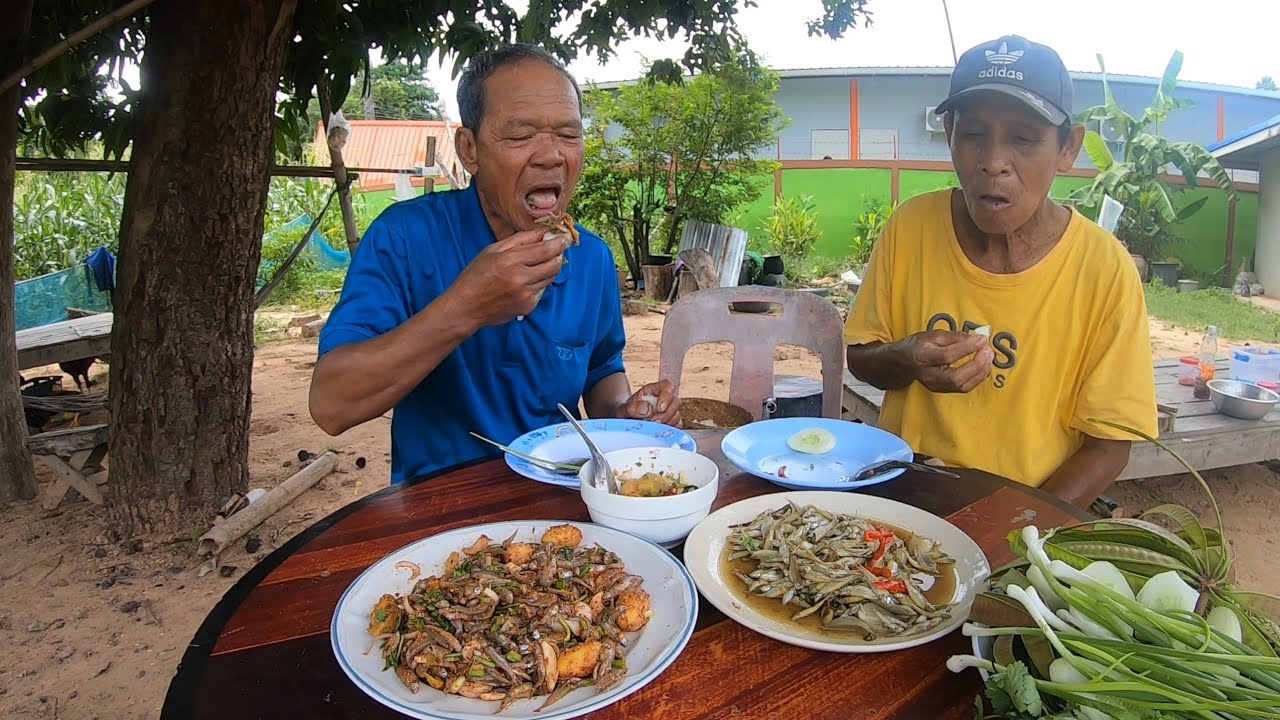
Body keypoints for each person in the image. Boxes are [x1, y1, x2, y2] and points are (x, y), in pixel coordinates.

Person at [308, 44, 681, 483]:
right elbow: (331, 405)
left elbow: (602, 370)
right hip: (438, 507)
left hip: (560, 499)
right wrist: (467, 306)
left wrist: (625, 413)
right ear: (470, 150)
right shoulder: (405, 238)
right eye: (521, 136)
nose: (551, 155)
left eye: (568, 134)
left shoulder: (591, 257)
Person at [843, 35, 1157, 509]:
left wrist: (1008, 532)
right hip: (899, 504)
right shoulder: (911, 227)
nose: (992, 163)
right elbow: (861, 359)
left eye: (1024, 138)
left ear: (1068, 148)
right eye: (973, 134)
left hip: (1026, 516)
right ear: (949, 133)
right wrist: (907, 358)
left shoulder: (1104, 268)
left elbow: (1110, 445)